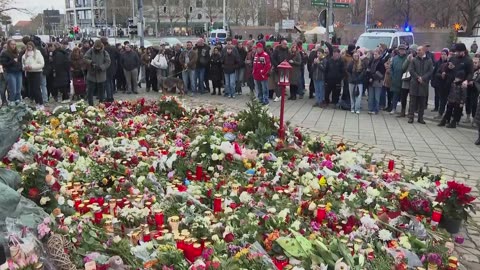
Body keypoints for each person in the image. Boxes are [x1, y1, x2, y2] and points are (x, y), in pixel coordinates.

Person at [407, 46, 433, 124]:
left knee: (422, 102)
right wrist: (418, 77)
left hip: (423, 84)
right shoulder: (414, 60)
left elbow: (430, 71)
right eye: (417, 50)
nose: (417, 51)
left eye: (419, 50)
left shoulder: (429, 60)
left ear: (424, 51)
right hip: (414, 83)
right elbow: (411, 70)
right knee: (412, 102)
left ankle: (420, 118)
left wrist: (423, 78)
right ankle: (411, 117)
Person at [84, 39, 111, 106]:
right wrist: (91, 62)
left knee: (101, 92)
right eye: (96, 47)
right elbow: (85, 58)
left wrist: (101, 67)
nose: (97, 49)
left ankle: (101, 104)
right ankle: (91, 105)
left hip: (101, 75)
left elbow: (108, 62)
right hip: (91, 75)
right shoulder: (90, 51)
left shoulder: (105, 52)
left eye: (99, 47)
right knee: (90, 91)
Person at [22, 41, 45, 109]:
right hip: (29, 73)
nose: (29, 48)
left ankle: (41, 103)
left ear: (33, 47)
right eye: (28, 47)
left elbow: (41, 64)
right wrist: (25, 67)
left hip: (36, 72)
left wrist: (32, 67)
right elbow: (23, 63)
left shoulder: (37, 53)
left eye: (30, 47)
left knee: (36, 88)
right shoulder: (25, 55)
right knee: (32, 89)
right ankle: (37, 102)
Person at [0, 39, 22, 104]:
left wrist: (21, 66)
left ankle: (18, 104)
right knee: (13, 91)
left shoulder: (17, 52)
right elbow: (4, 63)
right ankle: (12, 103)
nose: (13, 46)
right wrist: (12, 61)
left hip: (18, 72)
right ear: (9, 45)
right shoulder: (4, 52)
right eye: (12, 44)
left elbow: (20, 61)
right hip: (11, 72)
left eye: (15, 44)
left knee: (18, 90)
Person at [389, 44, 409, 115]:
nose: (402, 51)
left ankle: (403, 110)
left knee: (404, 97)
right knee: (395, 95)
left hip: (404, 80)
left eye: (403, 50)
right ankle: (393, 108)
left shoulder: (407, 58)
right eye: (400, 50)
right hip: (395, 79)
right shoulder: (395, 58)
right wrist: (392, 75)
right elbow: (391, 68)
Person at [431, 49, 449, 113]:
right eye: (442, 54)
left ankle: (442, 109)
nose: (443, 56)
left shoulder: (448, 63)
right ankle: (436, 107)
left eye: (444, 54)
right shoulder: (437, 62)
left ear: (447, 55)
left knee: (443, 97)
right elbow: (434, 72)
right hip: (437, 82)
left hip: (444, 83)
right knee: (436, 95)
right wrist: (432, 80)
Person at [368, 49, 386, 114]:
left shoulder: (381, 62)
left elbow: (381, 73)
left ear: (379, 54)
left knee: (376, 97)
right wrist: (369, 76)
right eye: (374, 54)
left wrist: (372, 77)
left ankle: (375, 109)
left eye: (376, 54)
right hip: (370, 81)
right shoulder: (372, 61)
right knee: (371, 96)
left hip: (377, 81)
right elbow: (369, 69)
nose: (374, 55)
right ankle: (370, 108)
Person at [101, 37, 119, 102]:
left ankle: (109, 97)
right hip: (113, 67)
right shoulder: (113, 48)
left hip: (106, 67)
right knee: (111, 82)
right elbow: (118, 55)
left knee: (107, 83)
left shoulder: (104, 50)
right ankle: (111, 96)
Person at [464, 57, 480, 124]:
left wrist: (473, 83)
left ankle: (474, 118)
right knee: (467, 102)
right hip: (468, 88)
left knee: (474, 104)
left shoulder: (479, 71)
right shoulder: (470, 70)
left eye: (476, 63)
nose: (474, 64)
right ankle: (468, 117)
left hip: (475, 90)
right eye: (473, 62)